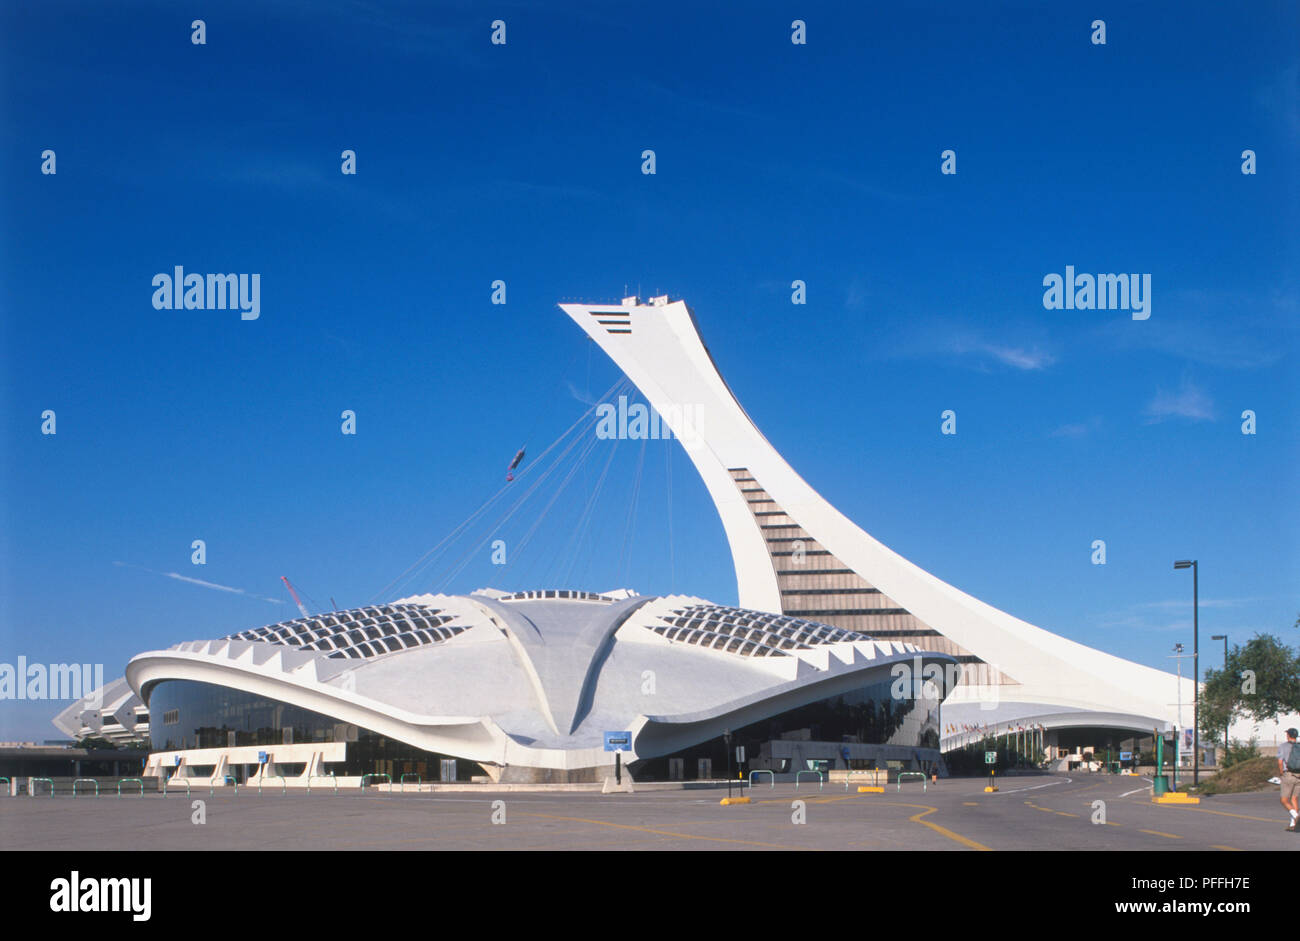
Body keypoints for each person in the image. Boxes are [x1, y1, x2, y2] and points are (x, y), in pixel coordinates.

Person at [1279, 728, 1299, 832]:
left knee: (1284, 800)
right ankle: (1293, 824)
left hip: (1289, 775)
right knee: (1294, 799)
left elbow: (1280, 761)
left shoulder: (1283, 746)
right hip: (1299, 775)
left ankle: (1296, 816)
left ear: (1288, 735)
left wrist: (1281, 773)